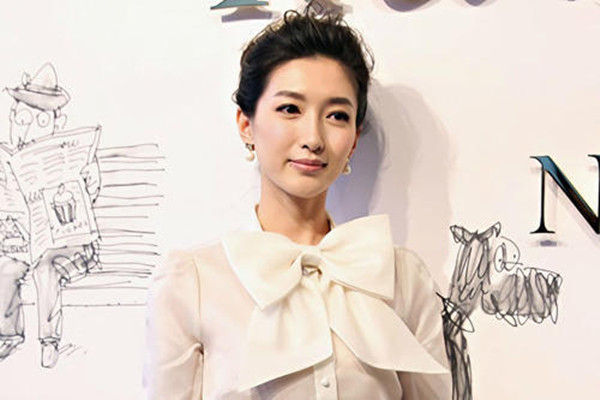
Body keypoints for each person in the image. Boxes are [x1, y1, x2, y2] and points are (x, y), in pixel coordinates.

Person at [144, 8, 451, 400]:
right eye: (290, 109)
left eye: (337, 115)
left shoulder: (401, 277)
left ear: (353, 140)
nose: (313, 138)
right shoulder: (191, 281)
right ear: (246, 125)